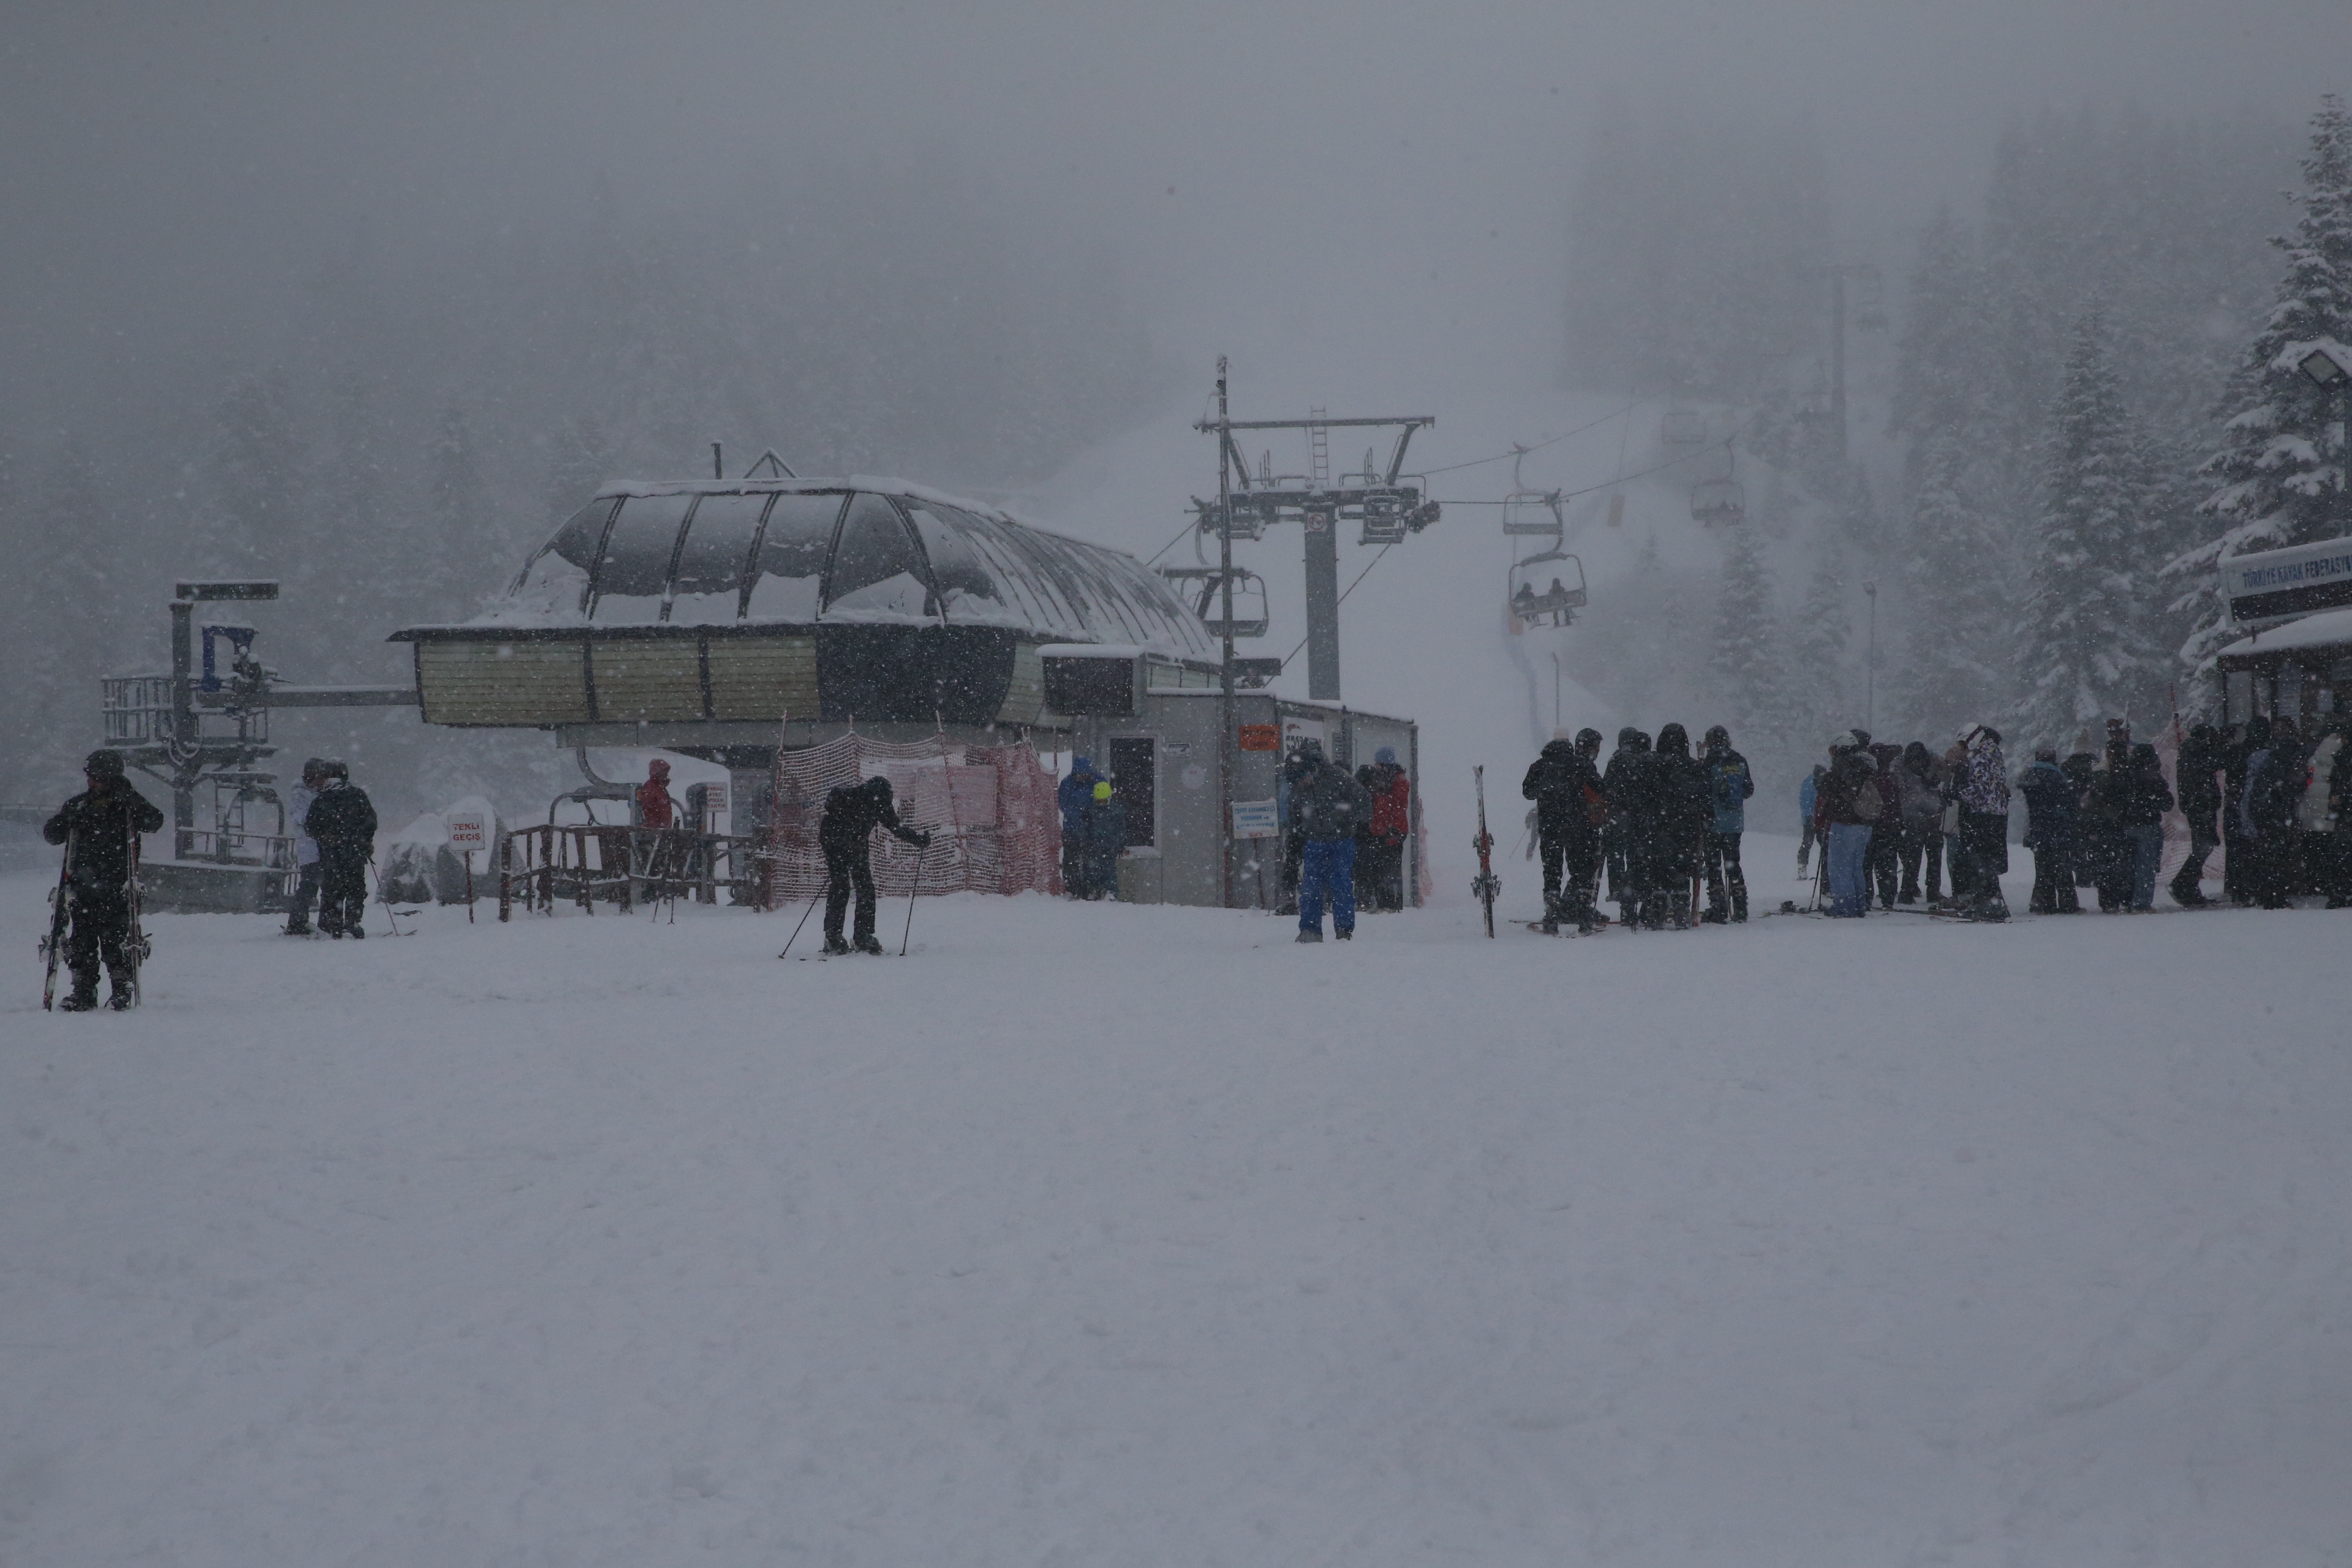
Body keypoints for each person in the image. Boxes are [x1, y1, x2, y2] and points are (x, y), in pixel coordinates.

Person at [42, 750, 165, 1011]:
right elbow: (52, 835)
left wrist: (131, 800)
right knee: (82, 941)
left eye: (98, 778)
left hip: (117, 886)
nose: (92, 783)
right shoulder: (79, 806)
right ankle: (83, 992)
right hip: (83, 887)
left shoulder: (127, 806)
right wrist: (66, 820)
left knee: (116, 941)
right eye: (90, 777)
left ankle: (122, 989)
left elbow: (154, 821)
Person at [819, 774, 930, 954]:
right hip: (848, 842)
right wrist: (919, 840)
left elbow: (832, 817)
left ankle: (833, 937)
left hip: (836, 840)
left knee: (841, 887)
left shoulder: (855, 796)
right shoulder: (877, 802)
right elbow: (896, 827)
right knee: (863, 888)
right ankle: (862, 937)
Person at [1288, 740, 1373, 943]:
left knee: (1341, 884)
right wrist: (1296, 837)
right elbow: (1295, 812)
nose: (1301, 783)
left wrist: (1356, 824)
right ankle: (1310, 929)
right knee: (1310, 887)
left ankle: (1344, 929)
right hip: (1314, 841)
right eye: (1296, 781)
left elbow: (1363, 798)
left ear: (1313, 768)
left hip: (1341, 840)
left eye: (1303, 778)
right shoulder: (1299, 787)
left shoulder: (1337, 777)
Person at [1523, 730, 1606, 934]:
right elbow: (1601, 789)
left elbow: (1528, 792)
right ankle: (1583, 914)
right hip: (1578, 826)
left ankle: (1551, 913)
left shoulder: (1539, 766)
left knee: (1552, 871)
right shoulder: (1582, 765)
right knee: (1579, 870)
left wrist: (1546, 792)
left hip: (1550, 827)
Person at [305, 760, 380, 939]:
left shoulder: (322, 800)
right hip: (353, 851)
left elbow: (311, 827)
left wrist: (325, 836)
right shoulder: (357, 795)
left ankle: (334, 924)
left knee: (334, 888)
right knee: (354, 887)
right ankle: (351, 922)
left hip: (333, 853)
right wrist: (364, 840)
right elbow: (370, 821)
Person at [1648, 724, 1713, 930]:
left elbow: (1644, 794)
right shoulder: (1694, 767)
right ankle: (1681, 905)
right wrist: (1707, 816)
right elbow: (1705, 796)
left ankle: (1657, 907)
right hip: (1687, 824)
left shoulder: (1653, 765)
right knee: (1683, 865)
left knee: (1659, 865)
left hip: (1658, 823)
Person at [1947, 724, 2011, 919]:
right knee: (1986, 861)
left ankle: (1987, 904)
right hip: (1996, 814)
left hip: (1984, 814)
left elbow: (1981, 787)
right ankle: (1992, 902)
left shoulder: (1983, 757)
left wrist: (1957, 794)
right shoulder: (1994, 753)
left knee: (1980, 860)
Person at [1817, 734, 1879, 917]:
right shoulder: (1866, 764)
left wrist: (1821, 777)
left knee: (1839, 865)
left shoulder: (1844, 762)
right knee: (1855, 865)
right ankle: (1859, 904)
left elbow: (1831, 786)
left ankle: (1844, 905)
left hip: (1845, 821)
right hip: (1864, 822)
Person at [1696, 725, 1753, 924]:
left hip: (1713, 821)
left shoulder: (1710, 762)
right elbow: (1748, 790)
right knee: (1733, 863)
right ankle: (1740, 908)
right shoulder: (1739, 760)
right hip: (1735, 822)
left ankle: (1719, 908)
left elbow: (1701, 793)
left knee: (1714, 865)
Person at [2018, 745, 2082, 914]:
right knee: (2062, 868)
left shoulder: (2029, 775)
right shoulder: (2058, 776)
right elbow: (2068, 802)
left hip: (2037, 828)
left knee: (2042, 868)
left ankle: (2042, 902)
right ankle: (2068, 903)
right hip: (2057, 828)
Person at [2168, 723, 2223, 906]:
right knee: (2203, 847)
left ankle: (2186, 885)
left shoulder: (2191, 751)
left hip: (2198, 805)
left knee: (2203, 847)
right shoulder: (2197, 751)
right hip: (2200, 806)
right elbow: (2214, 763)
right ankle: (2183, 884)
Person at [1601, 728, 1651, 926]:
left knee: (1615, 857)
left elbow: (1605, 788)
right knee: (1635, 858)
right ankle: (1637, 896)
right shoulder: (1644, 760)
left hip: (1617, 818)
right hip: (1639, 818)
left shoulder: (1616, 760)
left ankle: (1619, 892)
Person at [2119, 741, 2174, 911]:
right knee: (2146, 867)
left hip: (2127, 825)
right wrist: (2152, 803)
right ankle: (2142, 902)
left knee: (2128, 866)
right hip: (2149, 825)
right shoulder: (2153, 776)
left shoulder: (2126, 774)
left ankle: (2126, 899)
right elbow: (2167, 803)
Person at [1356, 747, 1412, 913]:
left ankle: (1389, 903)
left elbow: (1393, 807)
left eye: (1378, 763)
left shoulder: (1393, 781)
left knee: (1386, 867)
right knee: (1387, 867)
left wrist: (1388, 828)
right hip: (1389, 829)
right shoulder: (1396, 780)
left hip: (1389, 830)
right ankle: (1388, 902)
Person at [1893, 742, 1946, 906]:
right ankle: (1908, 890)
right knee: (1913, 858)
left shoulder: (1936, 763)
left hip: (1933, 817)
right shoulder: (1899, 768)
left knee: (1933, 857)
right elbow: (1900, 791)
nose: (1916, 765)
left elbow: (1945, 780)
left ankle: (1933, 890)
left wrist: (1935, 782)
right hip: (1912, 818)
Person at [284, 757, 329, 935]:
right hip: (309, 849)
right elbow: (300, 819)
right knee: (309, 886)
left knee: (319, 885)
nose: (322, 781)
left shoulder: (319, 793)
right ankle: (297, 922)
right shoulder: (300, 795)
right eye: (319, 777)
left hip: (321, 848)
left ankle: (311, 922)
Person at [1056, 756, 1102, 898]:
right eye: (1081, 775)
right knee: (1071, 861)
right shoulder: (1067, 783)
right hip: (1072, 829)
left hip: (1092, 830)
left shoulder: (1097, 781)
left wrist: (1093, 813)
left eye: (1085, 774)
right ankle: (1072, 888)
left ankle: (1091, 889)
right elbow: (1063, 804)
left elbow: (1103, 800)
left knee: (1092, 860)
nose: (1083, 777)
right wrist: (1079, 815)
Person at [1084, 779, 1128, 900]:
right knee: (1093, 869)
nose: (1101, 804)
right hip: (1094, 845)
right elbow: (1087, 828)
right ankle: (1094, 889)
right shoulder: (1091, 811)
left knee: (1109, 869)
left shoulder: (1116, 811)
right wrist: (1087, 841)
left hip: (1110, 846)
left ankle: (1110, 891)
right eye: (1099, 801)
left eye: (1104, 801)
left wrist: (1120, 843)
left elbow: (1121, 830)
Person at [1796, 763, 1827, 877]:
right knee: (1812, 843)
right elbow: (1805, 801)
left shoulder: (1811, 782)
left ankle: (1803, 868)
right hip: (1814, 818)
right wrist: (1811, 816)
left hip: (1816, 818)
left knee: (1809, 843)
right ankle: (1803, 868)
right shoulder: (1811, 783)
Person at [636, 758, 676, 830]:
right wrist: (655, 829)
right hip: (657, 831)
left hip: (662, 830)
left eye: (666, 772)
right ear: (657, 773)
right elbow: (648, 810)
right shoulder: (651, 788)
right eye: (663, 772)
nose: (666, 775)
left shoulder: (659, 788)